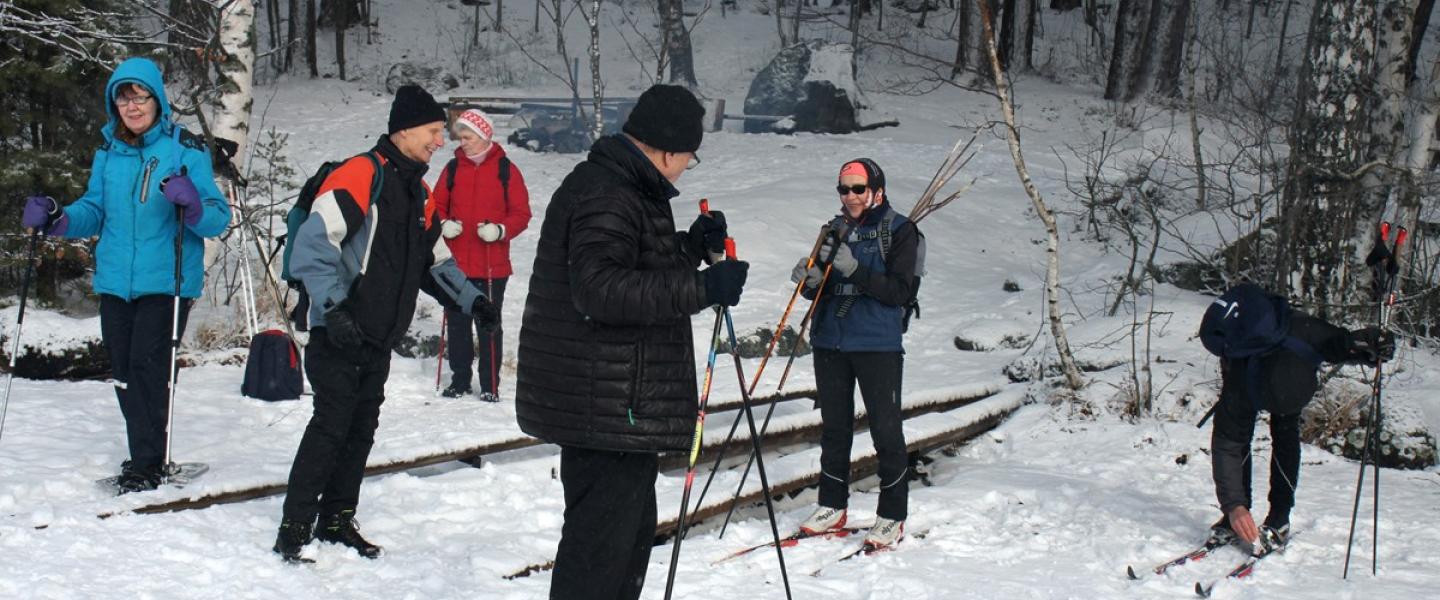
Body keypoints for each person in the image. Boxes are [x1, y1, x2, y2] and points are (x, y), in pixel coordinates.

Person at [513, 84, 748, 600]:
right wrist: (704, 287)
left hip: (617, 405)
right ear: (668, 150)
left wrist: (689, 247)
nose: (688, 166)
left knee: (623, 549)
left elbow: (630, 272)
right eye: (689, 155)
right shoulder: (609, 193)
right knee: (600, 559)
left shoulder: (625, 188)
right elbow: (600, 291)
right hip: (606, 407)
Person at [272, 85, 501, 563]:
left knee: (361, 428)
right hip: (339, 331)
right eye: (435, 131)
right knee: (331, 425)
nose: (441, 141)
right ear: (404, 130)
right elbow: (314, 247)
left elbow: (435, 262)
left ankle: (337, 520)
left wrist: (473, 302)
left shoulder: (418, 193)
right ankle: (294, 527)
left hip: (377, 337)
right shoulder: (361, 174)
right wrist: (333, 311)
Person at [21, 57, 232, 494]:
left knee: (147, 370)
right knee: (122, 373)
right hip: (117, 281)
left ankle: (146, 463)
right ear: (113, 103)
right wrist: (58, 218)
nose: (132, 106)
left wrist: (192, 204)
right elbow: (94, 211)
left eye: (140, 96)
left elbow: (216, 217)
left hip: (166, 281)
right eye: (123, 97)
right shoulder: (108, 153)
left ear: (157, 99)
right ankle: (145, 452)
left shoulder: (184, 149)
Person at [789, 158, 922, 550]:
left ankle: (892, 515)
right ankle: (832, 505)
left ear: (876, 189)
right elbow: (823, 288)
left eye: (858, 188)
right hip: (830, 339)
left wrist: (853, 270)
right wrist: (811, 282)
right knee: (834, 428)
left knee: (885, 429)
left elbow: (901, 292)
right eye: (843, 189)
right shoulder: (834, 229)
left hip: (877, 343)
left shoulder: (901, 231)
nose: (850, 196)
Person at [1202, 285, 1394, 551]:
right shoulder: (1239, 379)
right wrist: (1234, 506)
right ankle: (1236, 517)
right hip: (1251, 375)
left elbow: (1346, 344)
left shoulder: (1309, 334)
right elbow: (1227, 445)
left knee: (1285, 433)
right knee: (1238, 435)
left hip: (1288, 374)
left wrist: (1375, 345)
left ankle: (1279, 517)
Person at [433, 108, 532, 401]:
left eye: (468, 137)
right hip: (455, 264)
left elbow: (521, 213)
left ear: (484, 135)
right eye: (460, 137)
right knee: (458, 323)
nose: (462, 142)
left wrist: (500, 231)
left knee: (488, 325)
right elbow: (436, 204)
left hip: (492, 264)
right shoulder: (452, 169)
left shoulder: (506, 169)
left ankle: (490, 385)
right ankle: (460, 380)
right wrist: (443, 224)